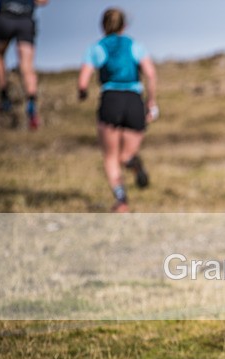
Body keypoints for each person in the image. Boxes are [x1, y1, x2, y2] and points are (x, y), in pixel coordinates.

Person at [77, 7, 157, 213]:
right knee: (125, 156)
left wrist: (82, 92)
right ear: (124, 25)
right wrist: (151, 103)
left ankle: (121, 201)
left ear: (103, 25)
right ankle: (133, 164)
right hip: (134, 100)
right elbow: (150, 73)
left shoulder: (97, 47)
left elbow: (83, 80)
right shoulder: (135, 46)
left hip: (110, 100)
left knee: (111, 157)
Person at [0, 0, 48, 129]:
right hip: (25, 21)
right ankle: (31, 105)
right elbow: (43, 2)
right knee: (27, 66)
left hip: (5, 18)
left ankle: (4, 95)